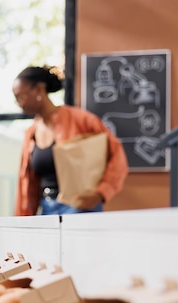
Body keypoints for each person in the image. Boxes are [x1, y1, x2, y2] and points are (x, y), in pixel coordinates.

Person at [12, 65, 129, 216]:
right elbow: (27, 185)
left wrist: (101, 193)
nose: (20, 104)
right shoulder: (30, 134)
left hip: (79, 206)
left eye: (21, 96)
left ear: (39, 89)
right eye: (16, 100)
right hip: (45, 209)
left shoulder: (81, 120)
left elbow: (117, 155)